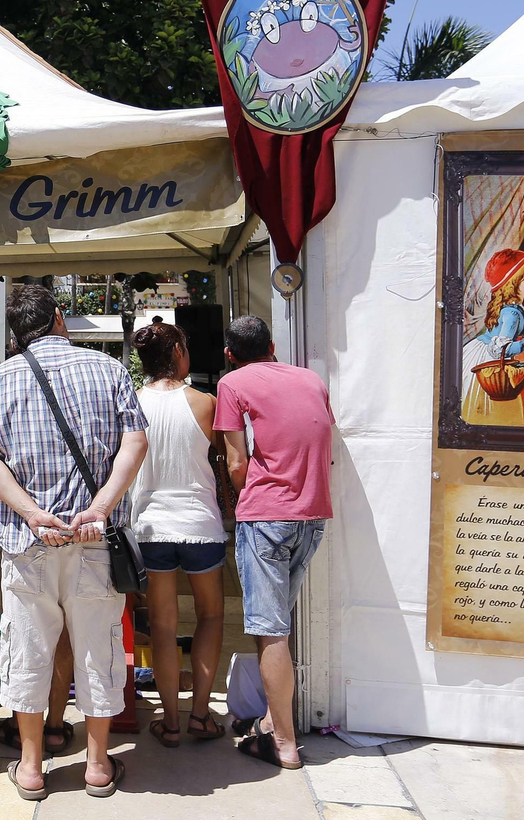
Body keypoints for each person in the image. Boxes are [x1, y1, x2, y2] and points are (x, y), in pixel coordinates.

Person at [0, 285, 148, 800]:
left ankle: (30, 767)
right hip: (95, 540)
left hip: (28, 540)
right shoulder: (107, 369)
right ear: (59, 318)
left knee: (28, 647)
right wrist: (102, 507)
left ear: (17, 331)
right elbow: (135, 441)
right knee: (98, 647)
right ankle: (95, 765)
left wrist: (32, 512)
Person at [214, 314, 334, 771]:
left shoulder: (233, 382)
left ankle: (282, 741)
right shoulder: (310, 379)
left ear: (230, 353)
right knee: (279, 624)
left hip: (268, 516)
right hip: (312, 515)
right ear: (273, 345)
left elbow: (236, 460)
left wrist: (242, 495)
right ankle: (270, 721)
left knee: (271, 632)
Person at [129, 323, 227, 747]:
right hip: (199, 523)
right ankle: (201, 714)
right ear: (179, 353)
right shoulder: (206, 403)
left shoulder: (131, 402)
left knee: (164, 628)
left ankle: (170, 722)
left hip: (150, 525)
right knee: (210, 616)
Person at [460, 249, 524, 424]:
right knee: (492, 410)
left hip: (481, 351)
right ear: (513, 282)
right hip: (489, 362)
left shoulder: (511, 308)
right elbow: (500, 349)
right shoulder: (512, 313)